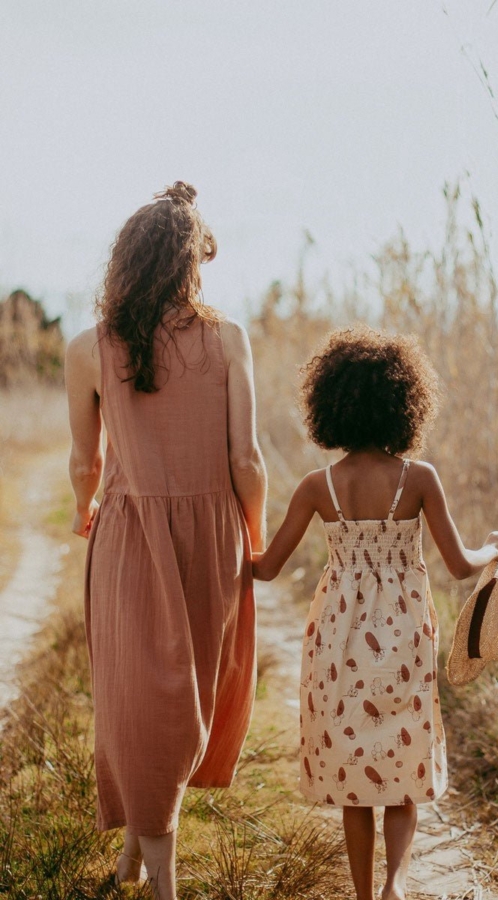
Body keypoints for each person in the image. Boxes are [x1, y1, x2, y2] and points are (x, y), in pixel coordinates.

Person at [252, 327, 498, 900]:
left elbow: (266, 568)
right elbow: (461, 565)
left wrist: (223, 540)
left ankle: (365, 895)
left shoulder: (319, 487)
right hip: (405, 638)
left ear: (330, 405)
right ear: (404, 403)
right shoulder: (418, 479)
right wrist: (494, 549)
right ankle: (396, 883)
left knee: (352, 775)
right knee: (401, 768)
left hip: (338, 641)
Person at [65, 181, 267, 900]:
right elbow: (247, 461)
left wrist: (84, 508)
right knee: (174, 695)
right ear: (189, 265)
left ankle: (138, 852)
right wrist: (256, 532)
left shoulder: (89, 347)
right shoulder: (231, 339)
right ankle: (160, 883)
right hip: (210, 537)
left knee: (141, 691)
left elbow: (85, 460)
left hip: (128, 532)